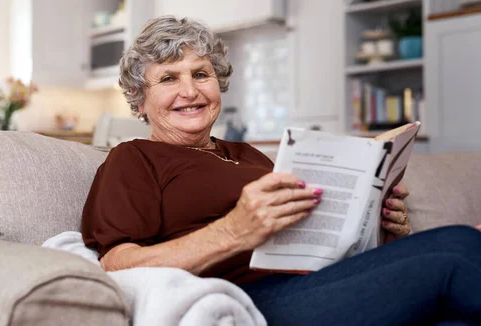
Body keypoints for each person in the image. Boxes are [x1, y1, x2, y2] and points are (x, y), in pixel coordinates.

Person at [82, 16, 481, 325]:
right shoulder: (134, 158)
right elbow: (117, 265)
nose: (190, 91)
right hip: (252, 298)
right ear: (139, 100)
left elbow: (316, 243)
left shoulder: (249, 155)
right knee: (458, 247)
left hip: (316, 281)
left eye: (201, 74)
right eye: (169, 78)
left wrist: (387, 229)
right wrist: (234, 230)